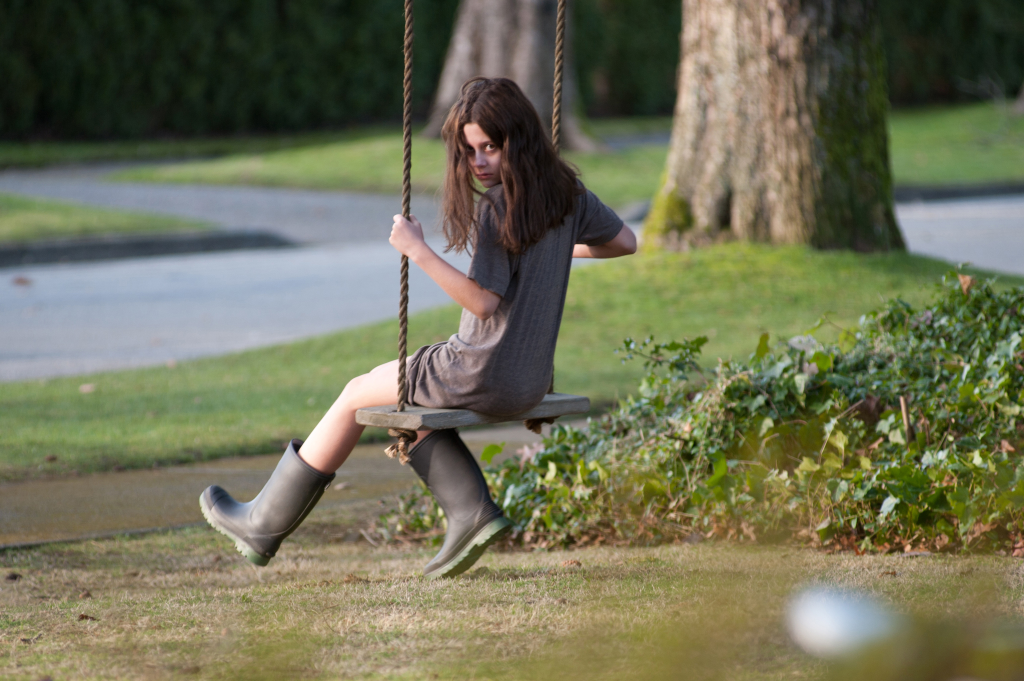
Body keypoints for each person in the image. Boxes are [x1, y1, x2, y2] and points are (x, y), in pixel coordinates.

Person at [200, 77, 637, 578]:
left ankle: (261, 524)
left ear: (519, 141)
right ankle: (470, 512)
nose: (478, 162)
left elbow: (483, 302)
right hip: (528, 380)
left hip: (479, 369)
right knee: (392, 395)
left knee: (357, 394)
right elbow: (624, 241)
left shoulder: (497, 206)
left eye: (490, 148)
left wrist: (418, 250)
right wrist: (554, 252)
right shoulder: (568, 194)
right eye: (469, 150)